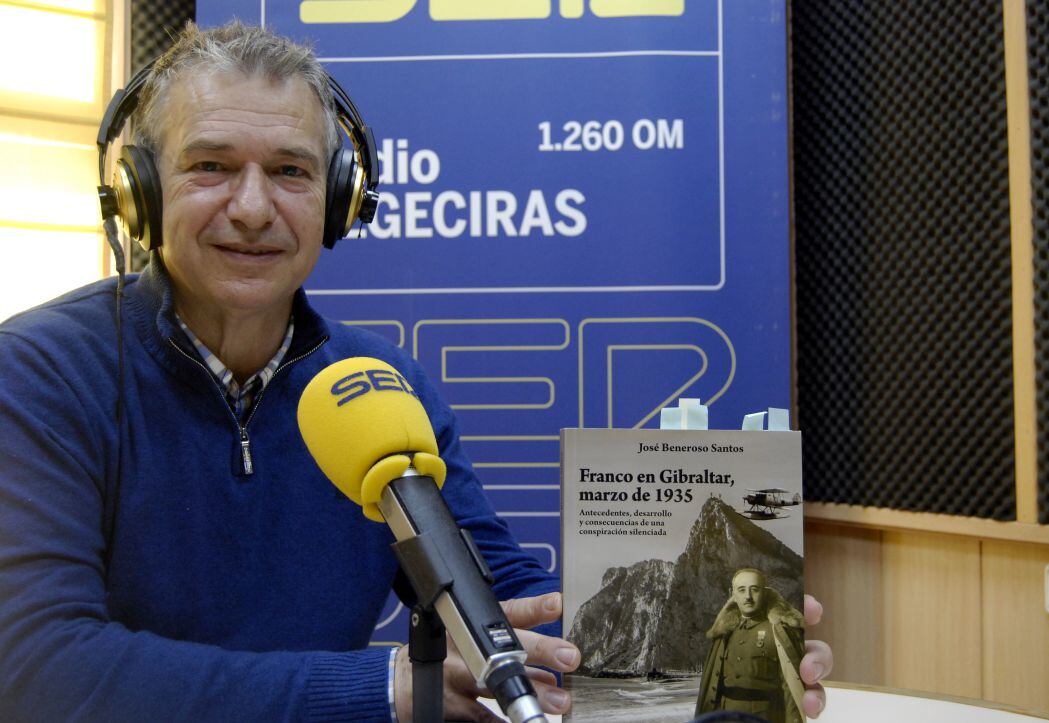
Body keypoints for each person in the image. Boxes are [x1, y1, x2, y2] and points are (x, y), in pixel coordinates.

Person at [0, 21, 832, 721]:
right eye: (210, 165)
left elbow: (494, 587)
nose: (253, 207)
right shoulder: (39, 374)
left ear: (336, 199)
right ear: (140, 191)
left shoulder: (379, 384)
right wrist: (385, 687)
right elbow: (35, 665)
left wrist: (690, 647)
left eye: (290, 171)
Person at [696, 569, 806, 722]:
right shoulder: (724, 633)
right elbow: (711, 688)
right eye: (741, 590)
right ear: (733, 594)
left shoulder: (779, 631)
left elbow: (790, 689)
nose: (748, 597)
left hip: (765, 716)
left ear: (764, 592)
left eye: (754, 589)